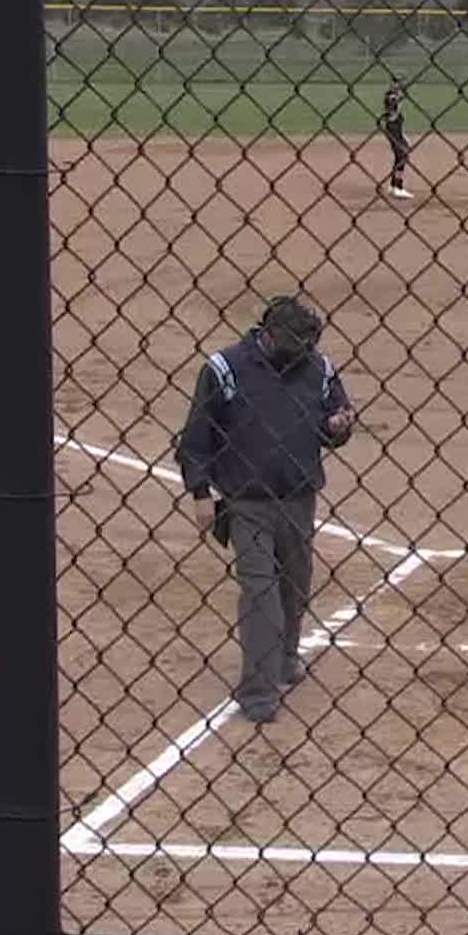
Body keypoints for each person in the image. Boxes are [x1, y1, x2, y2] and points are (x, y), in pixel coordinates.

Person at [175, 296, 357, 722]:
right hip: (246, 502)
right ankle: (258, 693)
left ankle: (285, 658)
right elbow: (196, 437)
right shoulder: (225, 369)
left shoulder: (319, 369)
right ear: (269, 335)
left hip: (298, 498)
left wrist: (338, 427)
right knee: (260, 593)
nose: (304, 353)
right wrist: (200, 493)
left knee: (295, 586)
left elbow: (334, 421)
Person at [381, 77, 413, 200]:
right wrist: (402, 95)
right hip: (393, 128)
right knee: (401, 155)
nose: (400, 84)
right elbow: (393, 104)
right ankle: (398, 187)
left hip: (396, 129)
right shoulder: (391, 96)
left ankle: (393, 185)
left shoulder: (393, 95)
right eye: (397, 82)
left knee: (401, 154)